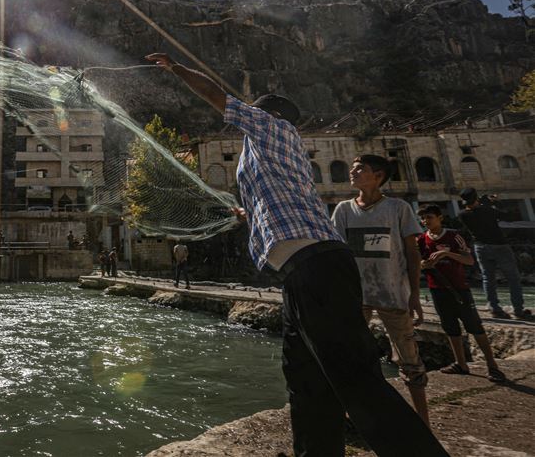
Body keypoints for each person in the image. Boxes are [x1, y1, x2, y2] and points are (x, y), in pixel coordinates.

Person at [145, 52, 446, 456]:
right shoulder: (266, 151)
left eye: (250, 111)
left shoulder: (271, 127)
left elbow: (216, 95)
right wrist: (246, 212)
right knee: (305, 378)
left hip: (317, 263)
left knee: (354, 376)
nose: (242, 116)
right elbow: (275, 198)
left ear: (267, 113)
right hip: (299, 270)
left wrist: (177, 69)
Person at [331, 155, 430, 426]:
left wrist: (414, 293)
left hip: (393, 294)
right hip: (356, 297)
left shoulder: (398, 208)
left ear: (378, 175)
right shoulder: (342, 210)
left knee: (409, 357)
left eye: (359, 168)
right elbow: (338, 254)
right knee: (350, 354)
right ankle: (351, 415)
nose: (352, 171)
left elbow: (412, 251)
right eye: (352, 168)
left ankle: (422, 421)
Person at [417, 205, 506, 382]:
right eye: (423, 219)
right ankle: (460, 363)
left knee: (475, 326)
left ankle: (492, 366)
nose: (426, 221)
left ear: (440, 217)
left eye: (429, 217)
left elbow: (469, 260)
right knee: (450, 328)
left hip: (459, 289)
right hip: (437, 289)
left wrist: (445, 254)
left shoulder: (453, 236)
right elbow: (419, 262)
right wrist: (424, 265)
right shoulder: (421, 240)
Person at [458, 188, 531, 320]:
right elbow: (509, 216)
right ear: (476, 198)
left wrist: (485, 203)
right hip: (499, 245)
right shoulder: (487, 210)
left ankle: (494, 308)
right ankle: (518, 310)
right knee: (513, 278)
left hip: (480, 247)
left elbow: (478, 211)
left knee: (488, 278)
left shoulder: (462, 214)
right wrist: (496, 202)